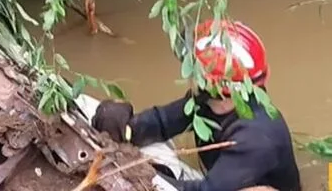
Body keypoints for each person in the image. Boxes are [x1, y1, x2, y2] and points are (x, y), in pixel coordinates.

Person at [91, 19, 301, 191]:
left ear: (216, 86)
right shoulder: (208, 102)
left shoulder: (256, 139)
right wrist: (124, 129)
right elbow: (162, 122)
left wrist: (141, 175)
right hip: (220, 181)